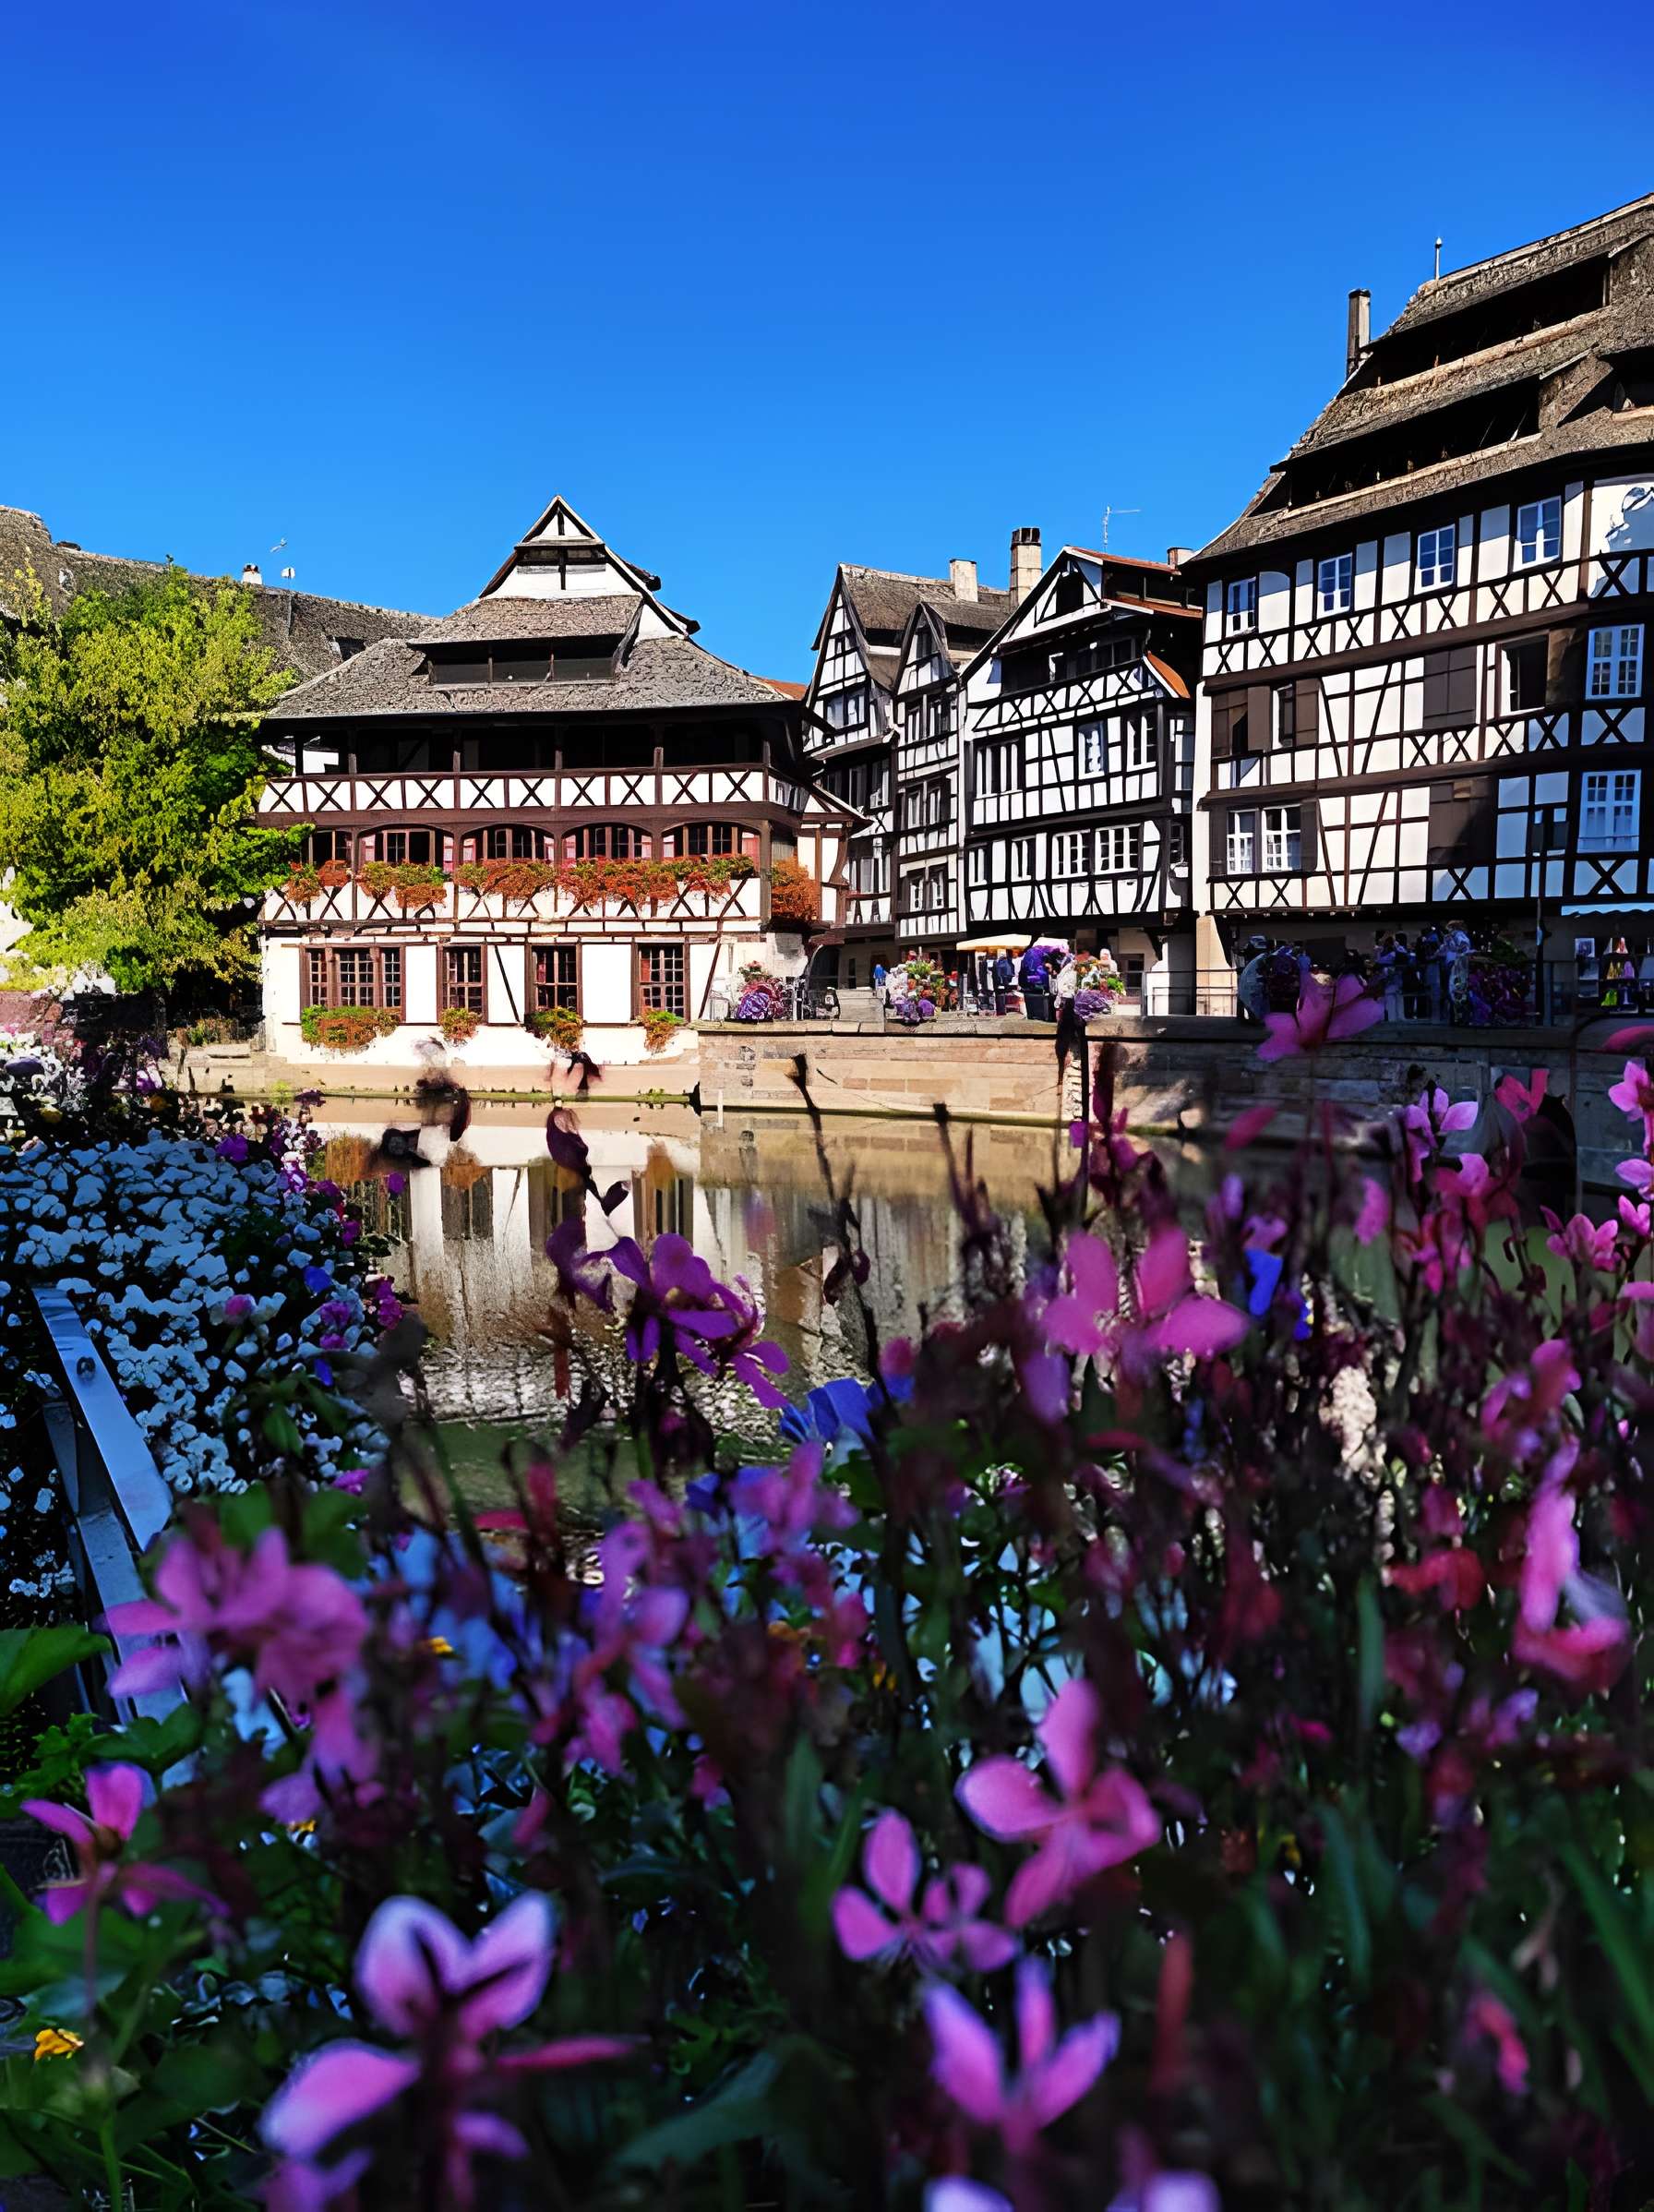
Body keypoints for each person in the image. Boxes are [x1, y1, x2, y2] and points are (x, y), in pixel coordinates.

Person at [1237, 938, 1271, 1024]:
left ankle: (1252, 1018)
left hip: (1250, 989)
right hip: (1253, 989)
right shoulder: (1260, 959)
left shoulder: (1256, 960)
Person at [1415, 923, 1444, 1023]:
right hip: (1430, 969)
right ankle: (1432, 1017)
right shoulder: (1425, 943)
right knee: (1431, 994)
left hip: (1434, 970)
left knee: (1435, 994)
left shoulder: (1433, 944)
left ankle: (1435, 1018)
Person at [1019, 944, 1052, 1022]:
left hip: (1039, 986)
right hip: (1041, 986)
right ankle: (1041, 1015)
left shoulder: (1040, 966)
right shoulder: (1041, 966)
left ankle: (1034, 1015)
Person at [992, 949, 1014, 1016]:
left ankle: (1001, 1011)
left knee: (1000, 995)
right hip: (1006, 980)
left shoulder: (999, 962)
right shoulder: (1008, 962)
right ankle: (1003, 1010)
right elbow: (1011, 971)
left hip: (1000, 981)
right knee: (1003, 995)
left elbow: (998, 973)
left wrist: (999, 981)